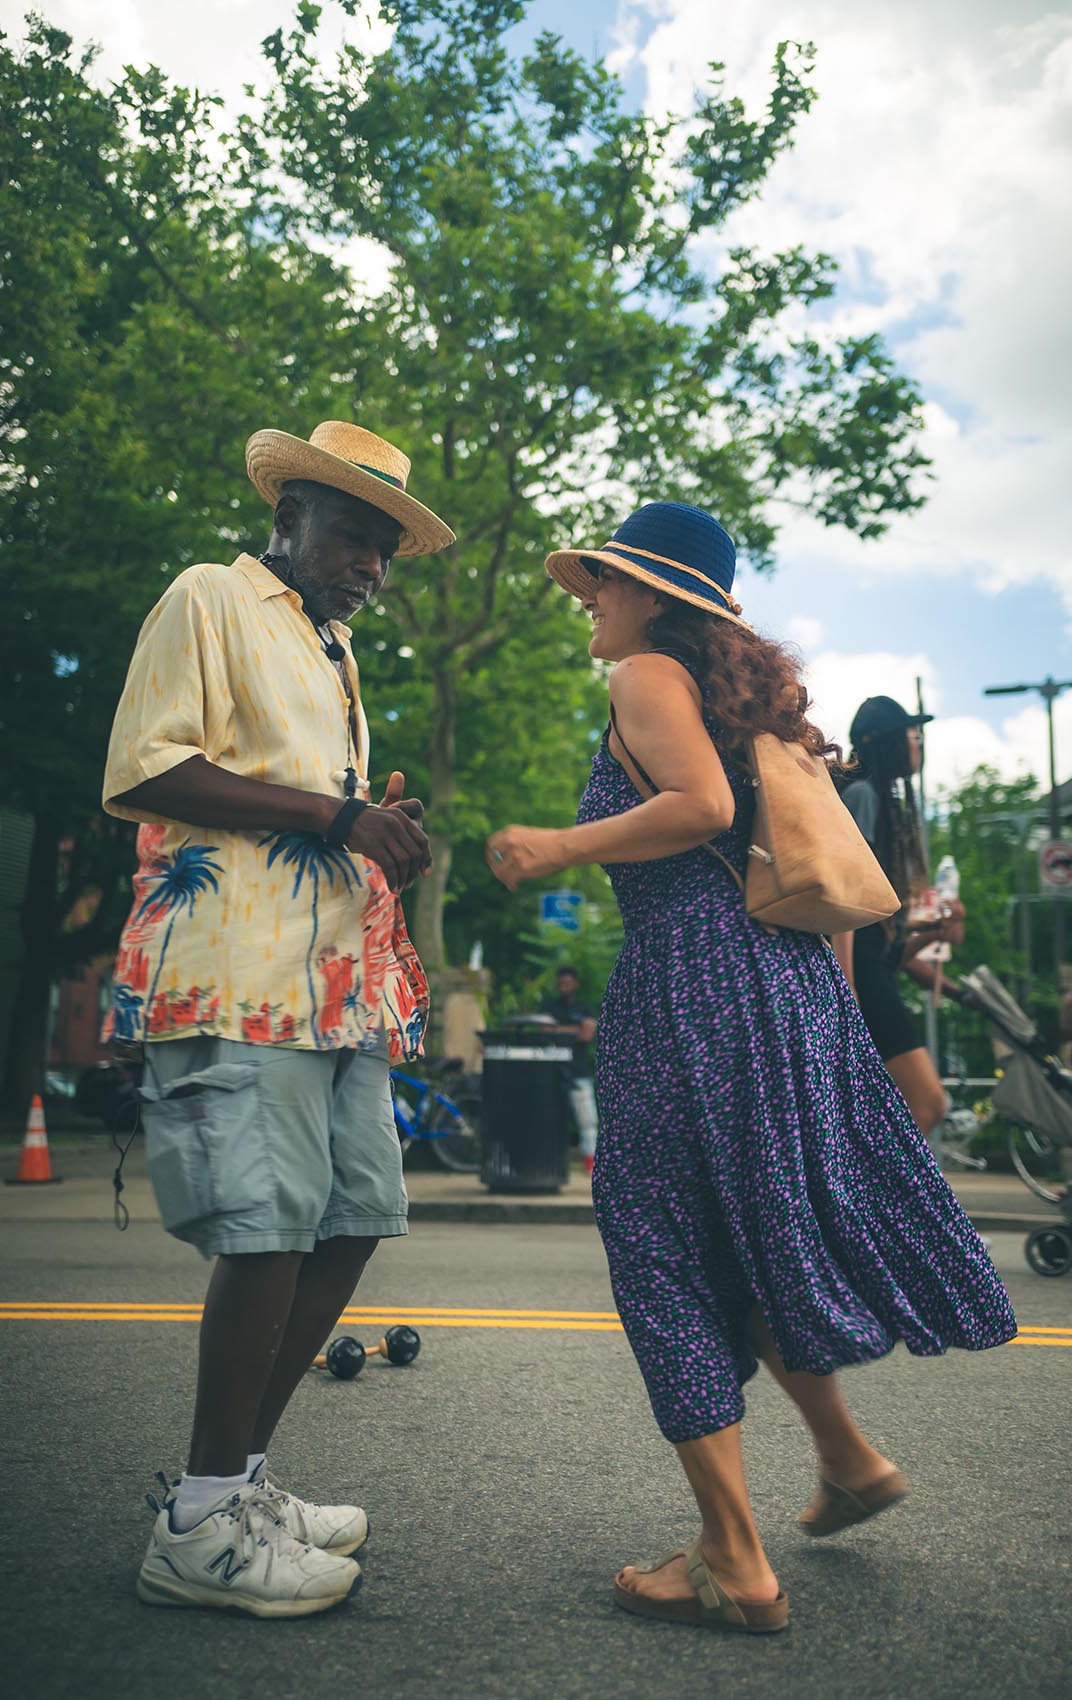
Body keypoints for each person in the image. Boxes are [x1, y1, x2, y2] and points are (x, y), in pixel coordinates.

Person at [486, 501, 1015, 1635]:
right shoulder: (748, 708)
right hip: (784, 988)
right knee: (741, 1230)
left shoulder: (643, 678)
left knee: (661, 1243)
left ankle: (731, 1555)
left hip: (691, 987)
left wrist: (555, 844)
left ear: (651, 596)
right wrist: (815, 1021)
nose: (588, 596)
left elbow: (705, 810)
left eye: (603, 582)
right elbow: (806, 875)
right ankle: (848, 1457)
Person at [102, 419, 454, 1618]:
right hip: (233, 975)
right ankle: (198, 1522)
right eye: (359, 532)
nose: (373, 563)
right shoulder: (210, 596)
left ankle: (240, 1482)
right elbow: (145, 767)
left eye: (389, 548)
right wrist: (333, 815)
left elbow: (315, 811)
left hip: (335, 990)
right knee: (265, 1234)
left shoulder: (335, 652)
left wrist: (371, 828)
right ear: (291, 513)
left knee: (350, 1220)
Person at [833, 696, 966, 1136]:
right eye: (913, 735)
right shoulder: (863, 796)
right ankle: (875, 1198)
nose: (919, 744)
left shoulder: (879, 802)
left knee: (914, 1107)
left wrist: (934, 931)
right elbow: (844, 905)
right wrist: (846, 994)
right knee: (927, 1104)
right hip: (860, 977)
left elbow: (883, 944)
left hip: (873, 971)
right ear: (890, 743)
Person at [541, 966, 599, 1172]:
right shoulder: (549, 1007)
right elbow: (545, 1032)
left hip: (579, 1071)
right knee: (550, 1119)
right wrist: (574, 1030)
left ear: (576, 983)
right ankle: (550, 1163)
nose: (563, 985)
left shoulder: (585, 1008)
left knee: (587, 1120)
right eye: (561, 982)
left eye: (567, 981)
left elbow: (588, 1034)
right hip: (553, 1072)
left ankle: (591, 1164)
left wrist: (559, 1030)